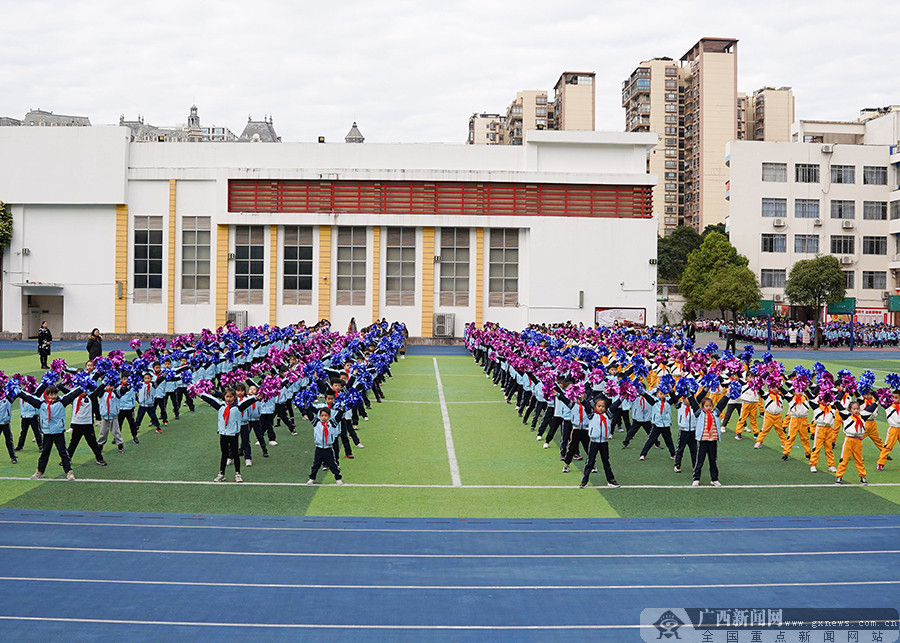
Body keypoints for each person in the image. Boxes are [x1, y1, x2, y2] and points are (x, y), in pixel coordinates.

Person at [17, 385, 81, 480]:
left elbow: (73, 394)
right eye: (51, 394)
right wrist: (18, 391)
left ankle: (69, 472)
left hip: (58, 432)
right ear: (46, 395)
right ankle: (40, 471)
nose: (53, 396)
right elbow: (28, 398)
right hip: (47, 432)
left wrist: (82, 387)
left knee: (63, 453)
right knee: (44, 453)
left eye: (55, 394)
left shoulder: (62, 402)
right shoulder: (41, 403)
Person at [199, 388, 256, 483]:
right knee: (224, 454)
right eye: (227, 396)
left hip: (233, 434)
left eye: (230, 397)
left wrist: (256, 397)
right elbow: (211, 400)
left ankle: (237, 473)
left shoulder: (238, 406)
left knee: (235, 454)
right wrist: (200, 394)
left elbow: (248, 402)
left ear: (234, 397)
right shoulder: (221, 406)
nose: (228, 399)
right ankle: (221, 473)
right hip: (223, 433)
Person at [688, 395, 730, 486]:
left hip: (713, 441)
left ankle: (714, 479)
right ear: (703, 407)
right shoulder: (699, 413)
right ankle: (696, 478)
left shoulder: (715, 413)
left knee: (713, 460)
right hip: (703, 441)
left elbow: (721, 405)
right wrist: (689, 395)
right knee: (700, 460)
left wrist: (727, 395)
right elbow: (694, 405)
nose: (708, 407)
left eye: (710, 406)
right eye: (706, 406)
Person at [579, 397, 618, 488]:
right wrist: (581, 399)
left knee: (606, 462)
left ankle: (611, 480)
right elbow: (586, 406)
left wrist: (622, 398)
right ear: (595, 407)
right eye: (599, 406)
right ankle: (584, 481)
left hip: (604, 442)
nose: (601, 408)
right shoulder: (591, 415)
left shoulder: (608, 415)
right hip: (594, 442)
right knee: (590, 462)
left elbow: (614, 406)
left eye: (603, 406)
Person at [306, 406, 344, 485]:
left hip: (328, 448)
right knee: (316, 464)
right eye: (322, 415)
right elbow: (310, 415)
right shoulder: (316, 423)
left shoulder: (332, 423)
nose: (324, 417)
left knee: (333, 464)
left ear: (329, 416)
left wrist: (341, 409)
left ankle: (338, 478)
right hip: (319, 448)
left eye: (326, 415)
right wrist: (306, 408)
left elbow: (338, 417)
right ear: (319, 416)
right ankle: (312, 478)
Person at [834, 400, 867, 485]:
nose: (856, 411)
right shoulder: (846, 416)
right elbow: (839, 406)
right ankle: (839, 476)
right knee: (844, 459)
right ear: (850, 410)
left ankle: (862, 477)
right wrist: (836, 398)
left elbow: (871, 408)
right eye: (854, 409)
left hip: (858, 441)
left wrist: (877, 401)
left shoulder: (862, 417)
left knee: (859, 460)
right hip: (849, 440)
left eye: (857, 409)